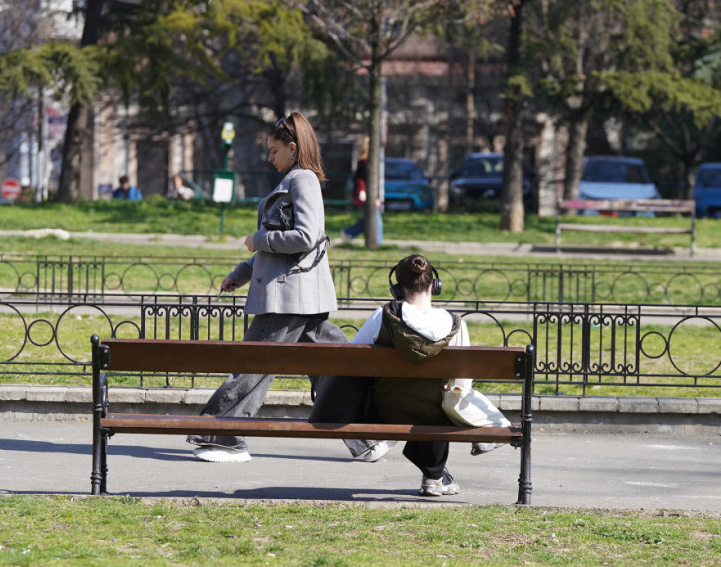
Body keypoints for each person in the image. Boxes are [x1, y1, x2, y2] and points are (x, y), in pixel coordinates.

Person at [187, 112, 390, 464]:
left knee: (252, 364)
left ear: (292, 149)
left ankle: (224, 435)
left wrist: (258, 239)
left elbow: (305, 237)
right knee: (332, 368)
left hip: (288, 298)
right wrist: (241, 273)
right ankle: (366, 438)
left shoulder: (303, 181)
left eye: (274, 150)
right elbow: (278, 252)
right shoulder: (295, 180)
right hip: (298, 295)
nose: (269, 157)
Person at [309, 254, 510, 497]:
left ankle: (431, 474)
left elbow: (353, 362)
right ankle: (434, 477)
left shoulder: (383, 315)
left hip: (384, 410)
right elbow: (461, 385)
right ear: (434, 285)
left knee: (409, 396)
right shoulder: (456, 324)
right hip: (434, 413)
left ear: (397, 289)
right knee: (438, 399)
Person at [341, 137, 383, 242]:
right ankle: (376, 243)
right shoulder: (366, 163)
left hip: (366, 194)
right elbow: (361, 180)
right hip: (366, 195)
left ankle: (349, 232)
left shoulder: (363, 162)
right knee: (375, 220)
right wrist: (366, 194)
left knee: (369, 219)